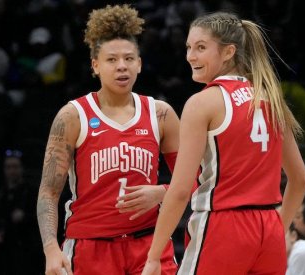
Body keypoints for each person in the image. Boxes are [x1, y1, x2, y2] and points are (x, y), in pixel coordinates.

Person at [139, 11, 305, 275]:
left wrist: (152, 257)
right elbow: (300, 180)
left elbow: (181, 189)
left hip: (223, 226)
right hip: (268, 230)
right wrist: (278, 227)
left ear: (229, 52)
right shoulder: (272, 99)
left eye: (201, 48)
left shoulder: (202, 103)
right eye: (189, 47)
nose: (190, 56)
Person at [36, 4, 180, 275]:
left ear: (139, 62)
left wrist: (163, 192)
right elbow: (48, 192)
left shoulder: (161, 114)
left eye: (128, 58)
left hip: (149, 245)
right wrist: (51, 249)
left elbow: (196, 180)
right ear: (95, 65)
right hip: (92, 248)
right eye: (112, 60)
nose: (121, 66)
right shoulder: (72, 116)